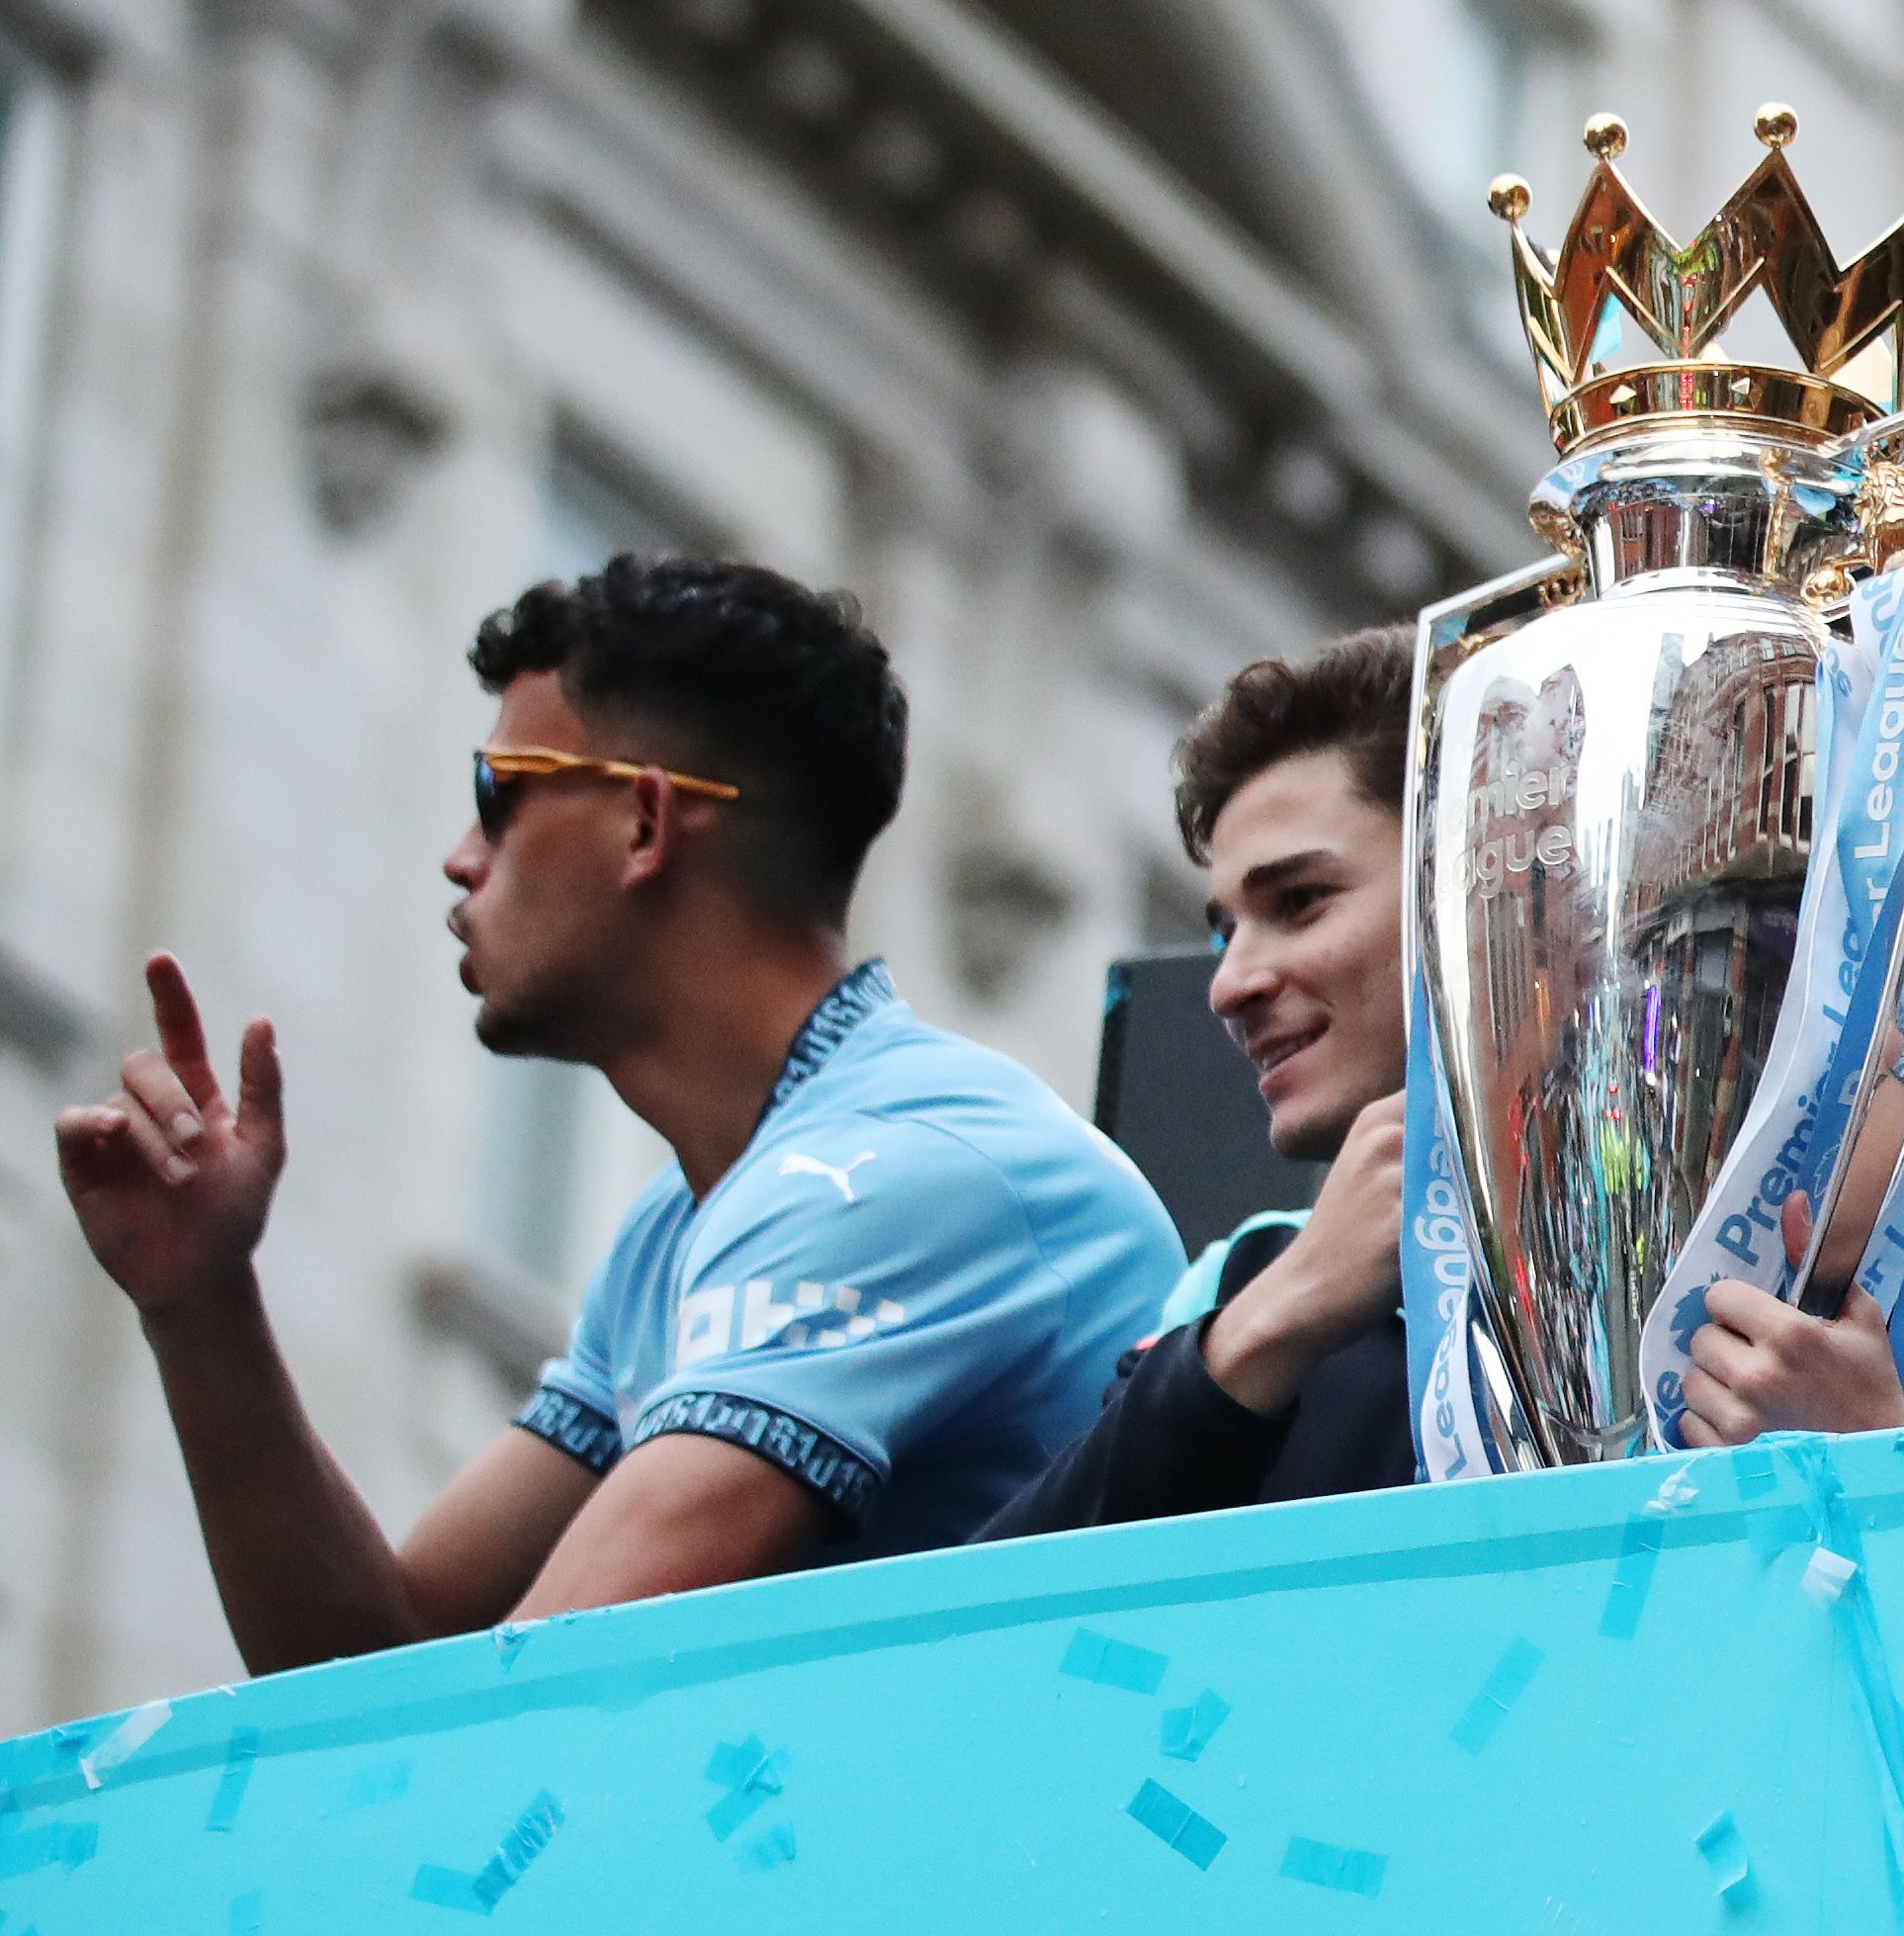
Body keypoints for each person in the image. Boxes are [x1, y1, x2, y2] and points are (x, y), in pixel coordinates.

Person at [53, 559, 1179, 1672]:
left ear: (644, 822)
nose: (460, 858)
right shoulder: (686, 1223)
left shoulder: (894, 1174)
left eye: (498, 794)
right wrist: (201, 1299)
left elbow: (521, 1707)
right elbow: (378, 1657)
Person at [981, 630, 1904, 1539]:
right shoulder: (1241, 1291)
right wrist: (1269, 1327)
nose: (1229, 983)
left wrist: (1887, 1452)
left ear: (1491, 888)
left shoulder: (1892, 1227)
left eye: (1300, 903)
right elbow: (978, 1640)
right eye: (1224, 929)